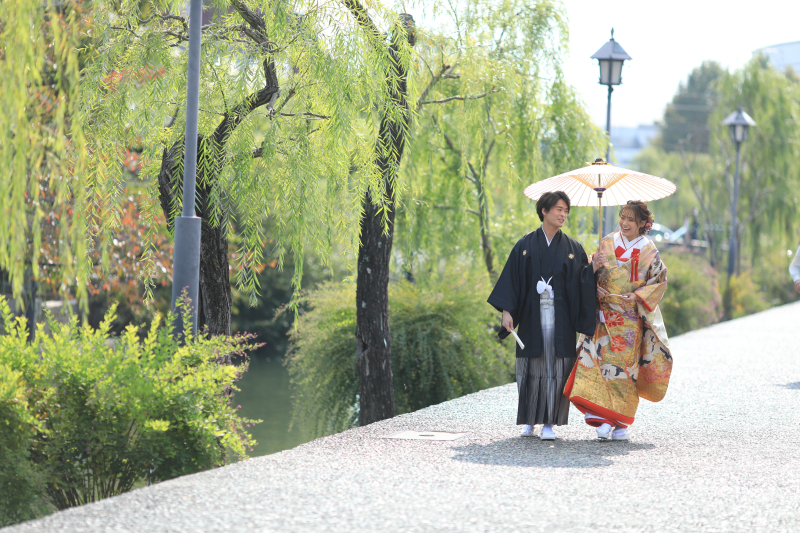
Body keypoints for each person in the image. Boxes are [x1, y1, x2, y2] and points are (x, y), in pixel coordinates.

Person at [488, 191, 603, 441]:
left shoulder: (573, 248)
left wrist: (592, 268)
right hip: (531, 317)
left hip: (560, 320)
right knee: (529, 367)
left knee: (556, 368)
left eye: (566, 211)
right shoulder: (524, 246)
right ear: (544, 211)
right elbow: (512, 281)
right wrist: (507, 312)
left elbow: (581, 282)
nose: (563, 215)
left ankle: (549, 421)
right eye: (558, 209)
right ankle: (530, 420)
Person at [565, 200, 673, 440]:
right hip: (602, 315)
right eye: (622, 217)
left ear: (644, 223)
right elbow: (588, 274)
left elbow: (659, 280)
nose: (624, 222)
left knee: (624, 370)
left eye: (631, 219)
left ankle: (621, 422)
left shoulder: (649, 249)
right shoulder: (606, 242)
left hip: (629, 320)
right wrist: (594, 286)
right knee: (598, 363)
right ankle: (603, 418)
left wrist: (636, 295)